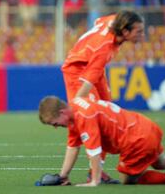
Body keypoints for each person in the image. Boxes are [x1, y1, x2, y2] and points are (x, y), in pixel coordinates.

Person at [38, 96, 165, 186]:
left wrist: (94, 180)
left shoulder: (84, 117)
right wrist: (63, 176)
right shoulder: (77, 106)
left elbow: (94, 151)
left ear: (62, 113)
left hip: (136, 140)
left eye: (53, 123)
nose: (55, 127)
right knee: (162, 162)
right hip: (145, 126)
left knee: (127, 179)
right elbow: (73, 146)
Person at [59, 10, 144, 182]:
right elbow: (87, 82)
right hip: (77, 70)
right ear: (125, 31)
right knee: (89, 114)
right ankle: (68, 174)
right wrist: (77, 105)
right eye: (139, 31)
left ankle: (94, 171)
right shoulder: (104, 48)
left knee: (107, 113)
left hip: (91, 66)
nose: (142, 35)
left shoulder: (114, 21)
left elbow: (99, 21)